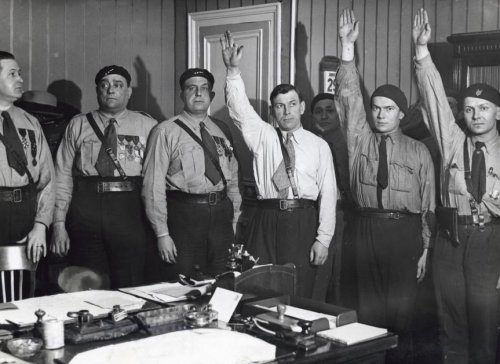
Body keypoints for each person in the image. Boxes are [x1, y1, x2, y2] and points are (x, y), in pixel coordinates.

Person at [336, 9, 435, 363]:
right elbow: (349, 98)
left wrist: (424, 250)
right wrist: (347, 47)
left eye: (388, 108)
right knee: (366, 312)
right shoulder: (358, 139)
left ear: (401, 113)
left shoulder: (419, 150)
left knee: (402, 316)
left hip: (404, 235)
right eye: (376, 107)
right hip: (365, 229)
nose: (380, 114)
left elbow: (428, 205)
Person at [221, 31, 336, 299]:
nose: (287, 112)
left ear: (303, 107)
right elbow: (239, 109)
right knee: (261, 288)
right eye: (280, 107)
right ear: (273, 112)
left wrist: (323, 239)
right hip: (266, 217)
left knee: (298, 290)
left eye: (292, 104)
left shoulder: (319, 146)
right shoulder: (263, 136)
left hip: (302, 220)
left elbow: (329, 195)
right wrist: (233, 70)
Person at [413, 9, 500, 364]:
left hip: (490, 243)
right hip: (451, 240)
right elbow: (433, 100)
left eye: (484, 108)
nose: (476, 115)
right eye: (468, 109)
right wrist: (421, 52)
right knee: (451, 325)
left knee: (485, 327)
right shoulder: (452, 141)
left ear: (498, 112)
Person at [51, 65, 157, 289]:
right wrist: (59, 223)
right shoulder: (78, 124)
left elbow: (154, 179)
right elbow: (61, 176)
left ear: (128, 92)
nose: (111, 90)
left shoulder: (148, 126)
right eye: (105, 85)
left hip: (129, 211)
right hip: (85, 210)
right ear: (97, 90)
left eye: (118, 85)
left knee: (130, 282)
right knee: (89, 281)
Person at [142, 68, 241, 279]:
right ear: (182, 95)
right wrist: (162, 233)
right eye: (191, 88)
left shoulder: (222, 129)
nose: (198, 94)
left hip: (221, 216)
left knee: (222, 280)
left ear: (211, 96)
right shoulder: (165, 131)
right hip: (184, 216)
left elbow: (233, 178)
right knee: (182, 281)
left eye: (204, 89)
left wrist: (234, 219)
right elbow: (153, 186)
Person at [0, 51, 54, 268]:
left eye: (19, 73)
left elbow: (47, 180)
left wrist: (41, 225)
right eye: (12, 74)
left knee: (24, 287)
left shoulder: (30, 122)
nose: (21, 79)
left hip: (25, 214)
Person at [310, 93, 355, 303]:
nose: (324, 116)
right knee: (319, 272)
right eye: (319, 111)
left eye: (330, 111)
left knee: (340, 275)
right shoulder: (308, 143)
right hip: (314, 214)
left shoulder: (348, 144)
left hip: (344, 214)